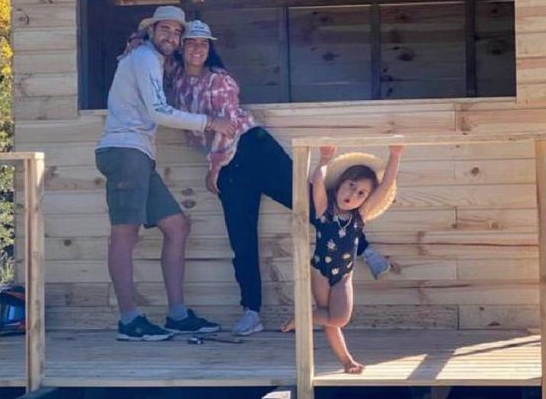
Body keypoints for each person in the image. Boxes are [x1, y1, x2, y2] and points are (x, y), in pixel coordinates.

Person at [167, 20, 398, 336]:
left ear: (210, 49)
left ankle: (365, 250)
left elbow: (228, 128)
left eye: (204, 44)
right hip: (229, 167)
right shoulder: (176, 80)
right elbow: (144, 48)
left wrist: (214, 168)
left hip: (251, 149)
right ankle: (251, 311)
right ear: (181, 47)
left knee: (307, 203)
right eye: (191, 42)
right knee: (241, 237)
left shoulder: (218, 81)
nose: (197, 48)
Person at [95, 6, 235, 341]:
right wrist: (210, 122)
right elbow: (159, 111)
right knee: (124, 236)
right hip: (125, 152)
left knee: (177, 226)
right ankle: (129, 321)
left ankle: (177, 315)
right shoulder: (144, 58)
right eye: (166, 31)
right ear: (151, 31)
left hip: (139, 154)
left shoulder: (152, 61)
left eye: (177, 33)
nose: (172, 37)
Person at [281, 145, 404, 374]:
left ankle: (303, 318)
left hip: (343, 276)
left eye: (361, 193)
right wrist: (324, 159)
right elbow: (317, 181)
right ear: (339, 185)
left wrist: (395, 155)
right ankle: (347, 361)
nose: (353, 195)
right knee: (329, 317)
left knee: (337, 319)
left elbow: (385, 186)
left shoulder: (360, 216)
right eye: (351, 186)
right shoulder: (323, 210)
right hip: (320, 271)